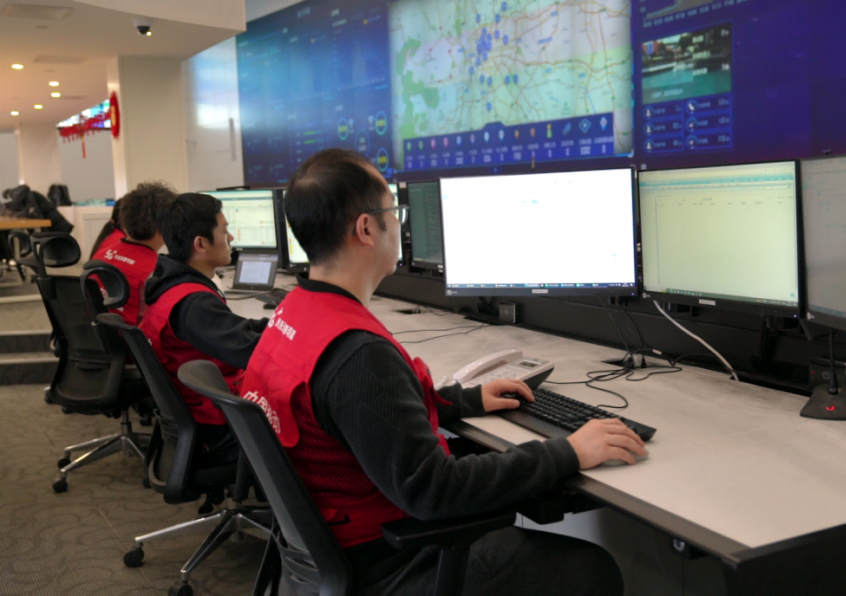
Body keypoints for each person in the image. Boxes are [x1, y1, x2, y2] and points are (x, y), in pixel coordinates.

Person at [241, 149, 643, 595]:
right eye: (394, 212)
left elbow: (359, 416)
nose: (400, 224)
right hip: (388, 564)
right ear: (366, 228)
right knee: (590, 569)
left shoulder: (295, 314)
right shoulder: (358, 354)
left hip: (324, 557)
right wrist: (567, 451)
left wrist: (464, 401)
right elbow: (433, 490)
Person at [140, 193, 268, 463]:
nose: (231, 237)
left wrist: (282, 325)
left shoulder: (171, 286)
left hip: (197, 412)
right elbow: (253, 352)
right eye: (224, 231)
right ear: (200, 244)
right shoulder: (195, 304)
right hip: (218, 425)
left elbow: (235, 330)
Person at [93, 182, 175, 326]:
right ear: (165, 226)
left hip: (101, 334)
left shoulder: (99, 256)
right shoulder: (157, 271)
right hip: (133, 338)